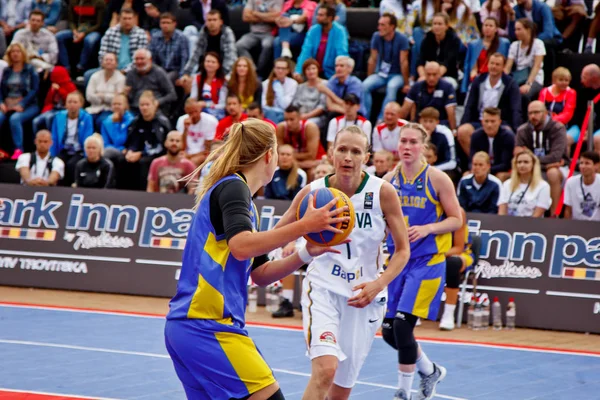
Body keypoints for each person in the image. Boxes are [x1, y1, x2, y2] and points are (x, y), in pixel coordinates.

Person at [164, 118, 348, 399]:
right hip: (207, 326)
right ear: (268, 156)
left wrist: (306, 252)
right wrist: (304, 226)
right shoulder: (233, 188)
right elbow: (240, 246)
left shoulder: (243, 199)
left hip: (188, 328)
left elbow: (259, 274)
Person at [274, 125, 411, 400]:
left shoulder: (382, 192)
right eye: (343, 150)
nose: (348, 157)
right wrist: (293, 243)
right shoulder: (312, 192)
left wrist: (378, 284)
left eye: (356, 151)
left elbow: (403, 251)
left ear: (367, 157)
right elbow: (278, 234)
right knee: (325, 370)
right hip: (323, 288)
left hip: (363, 295)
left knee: (340, 391)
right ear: (332, 154)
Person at [383, 122, 462, 400]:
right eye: (403, 141)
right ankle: (429, 370)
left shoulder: (438, 179)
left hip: (427, 262)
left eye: (413, 142)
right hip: (397, 262)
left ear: (423, 146)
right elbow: (384, 220)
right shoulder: (390, 179)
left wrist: (428, 228)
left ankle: (403, 392)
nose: (406, 147)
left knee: (404, 326)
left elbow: (457, 219)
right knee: (390, 332)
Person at [514, 100, 569, 215]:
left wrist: (530, 158)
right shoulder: (522, 130)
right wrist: (532, 162)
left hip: (557, 168)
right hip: (533, 167)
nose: (533, 116)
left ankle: (555, 215)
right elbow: (518, 155)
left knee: (552, 173)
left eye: (536, 112)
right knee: (518, 168)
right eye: (530, 113)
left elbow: (556, 156)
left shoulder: (558, 128)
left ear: (545, 113)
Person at [362, 13, 410, 121]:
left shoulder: (402, 39)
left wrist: (406, 84)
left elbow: (404, 62)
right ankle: (365, 118)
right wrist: (370, 76)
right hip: (381, 73)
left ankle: (381, 120)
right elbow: (372, 59)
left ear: (392, 26)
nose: (379, 28)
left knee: (392, 87)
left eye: (383, 25)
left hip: (397, 74)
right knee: (364, 85)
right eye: (379, 24)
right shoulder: (376, 36)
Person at [0, 42, 40, 160]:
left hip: (28, 104)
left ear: (22, 54)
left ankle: (19, 150)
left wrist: (22, 104)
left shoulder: (30, 69)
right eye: (13, 52)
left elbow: (35, 90)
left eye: (18, 52)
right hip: (8, 103)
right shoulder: (7, 70)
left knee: (15, 119)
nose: (15, 54)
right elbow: (1, 89)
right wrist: (1, 102)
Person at [439, 207, 473, 331]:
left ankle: (448, 314)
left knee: (452, 264)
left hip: (459, 254)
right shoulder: (425, 208)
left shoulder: (458, 212)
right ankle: (412, 312)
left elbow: (458, 247)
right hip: (433, 253)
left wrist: (436, 255)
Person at [498, 149, 551, 217]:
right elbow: (502, 211)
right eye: (519, 162)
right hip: (508, 223)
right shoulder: (507, 184)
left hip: (532, 225)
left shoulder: (543, 186)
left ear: (533, 164)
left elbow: (537, 214)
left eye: (526, 162)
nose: (522, 165)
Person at [469, 107, 515, 181]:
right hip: (481, 168)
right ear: (482, 122)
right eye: (486, 121)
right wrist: (476, 169)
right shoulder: (476, 136)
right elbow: (471, 159)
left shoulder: (507, 136)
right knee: (466, 175)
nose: (489, 125)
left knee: (500, 176)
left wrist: (486, 170)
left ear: (499, 122)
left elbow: (506, 164)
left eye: (493, 121)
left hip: (501, 170)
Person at [538, 67, 577, 147]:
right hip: (545, 124)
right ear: (554, 80)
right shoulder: (544, 92)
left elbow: (567, 114)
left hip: (566, 126)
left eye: (566, 80)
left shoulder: (571, 93)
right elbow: (540, 109)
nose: (564, 83)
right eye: (561, 80)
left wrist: (550, 122)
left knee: (563, 139)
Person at [176, 98, 218, 166]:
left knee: (192, 162)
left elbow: (208, 149)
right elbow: (182, 147)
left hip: (203, 154)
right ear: (186, 111)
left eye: (196, 111)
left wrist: (190, 156)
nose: (194, 115)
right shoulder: (181, 120)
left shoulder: (210, 121)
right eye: (190, 113)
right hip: (185, 153)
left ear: (200, 109)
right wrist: (185, 129)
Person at [563, 151, 600, 221]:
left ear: (596, 165)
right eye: (581, 163)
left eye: (587, 163)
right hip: (576, 224)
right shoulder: (571, 182)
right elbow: (568, 209)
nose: (583, 166)